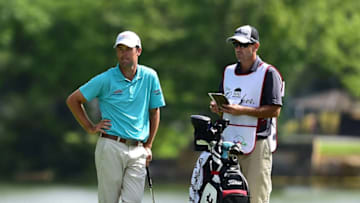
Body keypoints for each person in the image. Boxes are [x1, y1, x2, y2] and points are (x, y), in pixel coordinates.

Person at [66, 30, 166, 203]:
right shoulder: (106, 79)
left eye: (128, 49)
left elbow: (154, 110)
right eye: (120, 49)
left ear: (138, 51)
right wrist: (90, 127)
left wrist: (149, 145)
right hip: (111, 147)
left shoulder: (150, 76)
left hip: (137, 149)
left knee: (133, 200)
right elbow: (73, 100)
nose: (123, 53)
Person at [210, 25, 284, 203]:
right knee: (229, 197)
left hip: (257, 144)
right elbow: (226, 103)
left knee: (257, 198)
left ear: (255, 46)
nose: (238, 49)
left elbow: (275, 110)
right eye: (236, 45)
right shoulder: (228, 72)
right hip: (229, 144)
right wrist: (218, 108)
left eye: (243, 45)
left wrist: (241, 110)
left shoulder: (269, 73)